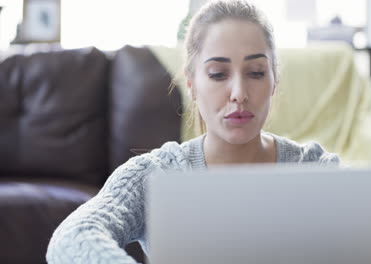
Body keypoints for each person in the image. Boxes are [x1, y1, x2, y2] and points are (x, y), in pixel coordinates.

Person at [46, 0, 340, 263]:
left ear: (274, 79)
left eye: (255, 73)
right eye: (217, 74)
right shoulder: (155, 174)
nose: (238, 93)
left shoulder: (315, 168)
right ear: (191, 83)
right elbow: (72, 239)